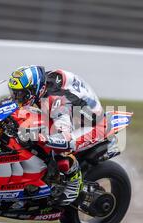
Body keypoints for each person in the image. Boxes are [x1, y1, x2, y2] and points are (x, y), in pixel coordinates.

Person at [7, 65, 105, 204]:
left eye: (21, 94)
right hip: (73, 103)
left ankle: (73, 183)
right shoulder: (39, 84)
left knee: (59, 146)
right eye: (15, 93)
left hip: (89, 121)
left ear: (36, 90)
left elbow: (66, 139)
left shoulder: (56, 101)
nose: (16, 98)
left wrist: (43, 138)